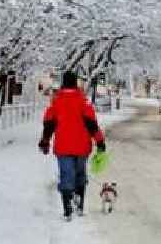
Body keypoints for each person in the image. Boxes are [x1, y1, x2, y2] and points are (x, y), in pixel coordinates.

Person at [38, 70, 106, 220]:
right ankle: (80, 204)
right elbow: (92, 125)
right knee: (80, 174)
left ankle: (67, 207)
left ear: (63, 83)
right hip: (82, 147)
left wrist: (45, 141)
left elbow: (48, 124)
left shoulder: (56, 102)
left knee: (66, 175)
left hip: (62, 147)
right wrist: (100, 141)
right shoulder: (83, 102)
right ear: (76, 83)